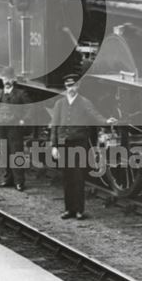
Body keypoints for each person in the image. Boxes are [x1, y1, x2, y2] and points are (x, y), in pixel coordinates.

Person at [49, 75, 116, 220]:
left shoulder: (85, 102)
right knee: (67, 178)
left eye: (73, 86)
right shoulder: (60, 104)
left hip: (79, 144)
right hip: (64, 144)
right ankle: (68, 210)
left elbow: (95, 116)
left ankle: (79, 210)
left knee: (78, 177)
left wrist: (106, 121)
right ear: (65, 87)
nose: (71, 89)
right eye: (68, 86)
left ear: (78, 87)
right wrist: (54, 146)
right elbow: (54, 126)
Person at [0, 67, 32, 190]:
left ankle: (19, 181)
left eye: (9, 78)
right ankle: (8, 179)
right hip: (1, 127)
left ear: (13, 79)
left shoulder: (21, 93)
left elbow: (30, 108)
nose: (6, 81)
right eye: (4, 78)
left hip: (14, 128)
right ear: (2, 79)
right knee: (4, 153)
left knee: (16, 153)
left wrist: (23, 120)